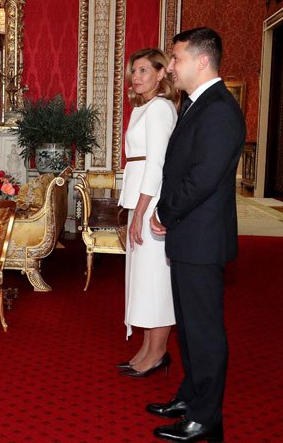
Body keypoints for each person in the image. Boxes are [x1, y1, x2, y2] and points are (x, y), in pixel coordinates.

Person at [148, 27, 245, 442]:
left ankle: (206, 417)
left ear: (202, 61)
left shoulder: (220, 109)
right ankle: (191, 395)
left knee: (204, 329)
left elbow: (203, 177)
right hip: (190, 235)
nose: (170, 66)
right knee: (187, 326)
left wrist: (166, 211)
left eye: (176, 58)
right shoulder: (197, 104)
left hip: (201, 237)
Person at [116, 48, 178, 378]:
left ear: (160, 74)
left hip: (151, 201)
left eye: (143, 71)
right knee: (144, 279)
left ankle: (158, 353)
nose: (136, 77)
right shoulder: (144, 108)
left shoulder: (161, 109)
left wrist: (141, 212)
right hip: (139, 198)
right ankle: (146, 349)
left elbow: (156, 165)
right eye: (134, 72)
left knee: (156, 281)